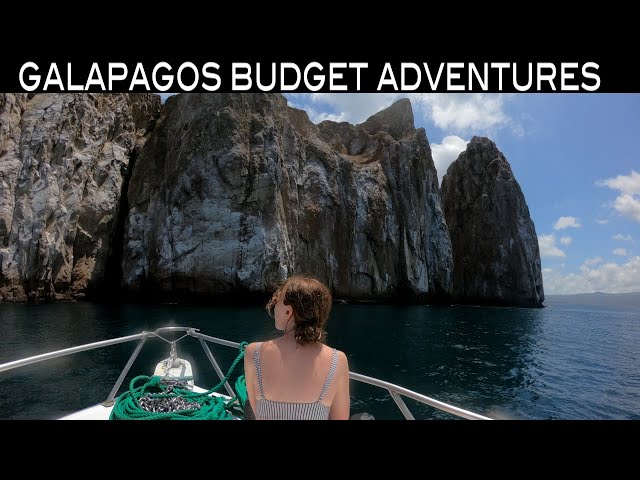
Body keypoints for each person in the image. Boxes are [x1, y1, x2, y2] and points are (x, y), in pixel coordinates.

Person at [243, 275, 350, 420]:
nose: (274, 306)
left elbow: (256, 410)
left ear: (288, 311)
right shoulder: (338, 361)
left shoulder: (253, 353)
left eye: (276, 301)